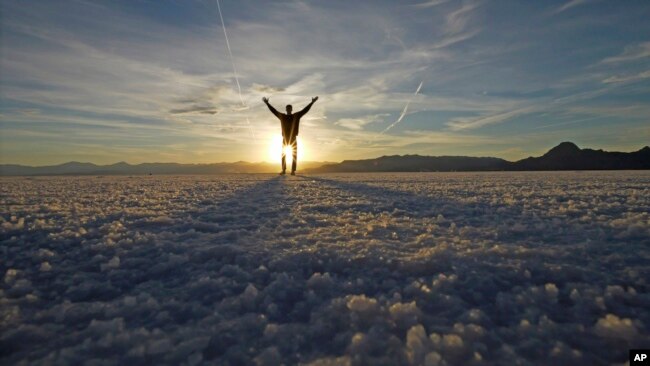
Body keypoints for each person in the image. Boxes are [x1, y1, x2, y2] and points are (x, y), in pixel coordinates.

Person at [263, 96, 318, 175]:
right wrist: (267, 103)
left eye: (289, 108)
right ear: (286, 109)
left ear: (291, 109)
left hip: (293, 138)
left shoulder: (296, 116)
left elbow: (304, 110)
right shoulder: (283, 116)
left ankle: (293, 171)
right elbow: (274, 111)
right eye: (287, 108)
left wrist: (312, 103)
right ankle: (284, 170)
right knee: (283, 154)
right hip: (285, 138)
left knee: (294, 154)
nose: (288, 110)